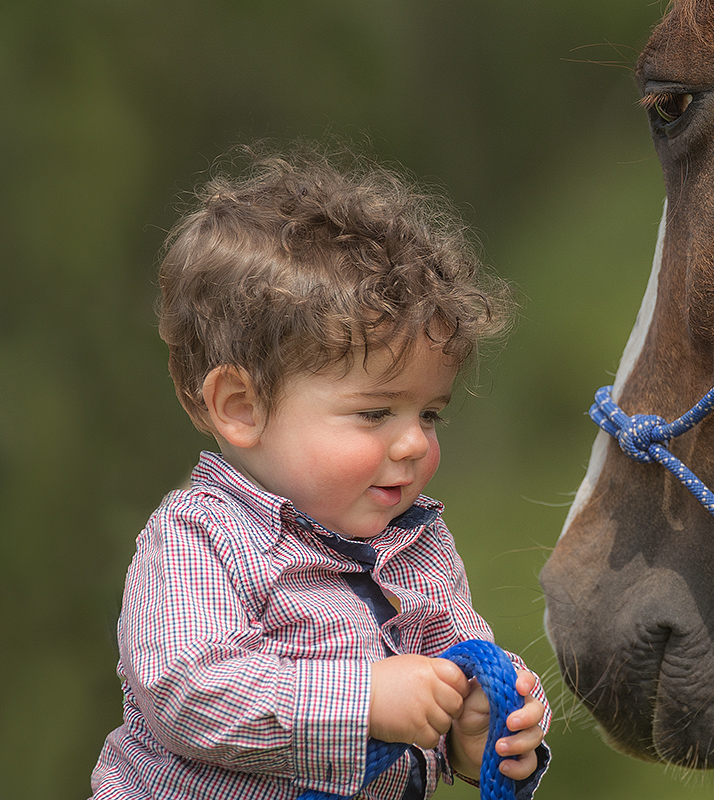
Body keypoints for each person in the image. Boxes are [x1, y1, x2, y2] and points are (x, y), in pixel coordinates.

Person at [90, 144, 551, 799]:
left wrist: (479, 734)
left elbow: (449, 684)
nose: (414, 444)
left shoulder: (419, 547)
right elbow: (186, 692)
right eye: (375, 414)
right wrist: (361, 701)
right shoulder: (199, 539)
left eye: (430, 416)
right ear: (241, 408)